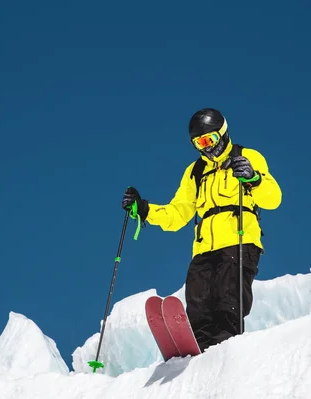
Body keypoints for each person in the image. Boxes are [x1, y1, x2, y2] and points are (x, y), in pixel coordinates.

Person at [121, 108, 282, 352]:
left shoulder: (246, 156)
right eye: (198, 143)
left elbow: (274, 198)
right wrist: (144, 210)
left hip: (239, 242)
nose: (205, 147)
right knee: (198, 303)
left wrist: (253, 179)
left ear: (223, 134)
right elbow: (177, 214)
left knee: (228, 301)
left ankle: (225, 348)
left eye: (209, 140)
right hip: (204, 247)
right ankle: (199, 352)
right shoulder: (195, 172)